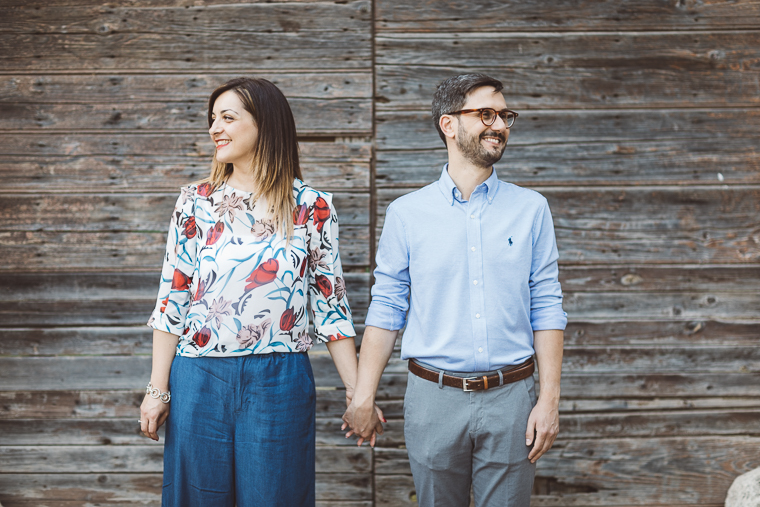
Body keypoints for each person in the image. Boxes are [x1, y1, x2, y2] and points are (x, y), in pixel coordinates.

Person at [139, 77, 379, 506]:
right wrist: (158, 389)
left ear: (265, 125)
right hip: (198, 378)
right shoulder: (195, 202)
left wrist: (356, 393)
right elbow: (171, 299)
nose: (215, 128)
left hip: (280, 381)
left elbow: (330, 305)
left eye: (228, 117)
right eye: (212, 119)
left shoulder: (313, 206)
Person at [342, 74, 567, 506]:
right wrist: (364, 395)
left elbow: (547, 304)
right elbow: (387, 307)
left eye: (505, 116)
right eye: (485, 114)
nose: (499, 125)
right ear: (448, 124)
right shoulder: (406, 214)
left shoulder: (531, 209)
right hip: (433, 400)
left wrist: (549, 402)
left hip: (512, 399)